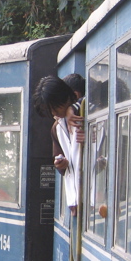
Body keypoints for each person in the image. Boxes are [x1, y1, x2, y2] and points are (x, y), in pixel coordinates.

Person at [33, 76, 83, 216]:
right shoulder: (57, 128)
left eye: (56, 106)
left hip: (95, 198)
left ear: (68, 96)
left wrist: (74, 107)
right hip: (75, 204)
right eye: (50, 110)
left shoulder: (85, 111)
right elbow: (61, 165)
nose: (54, 113)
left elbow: (100, 93)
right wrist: (61, 165)